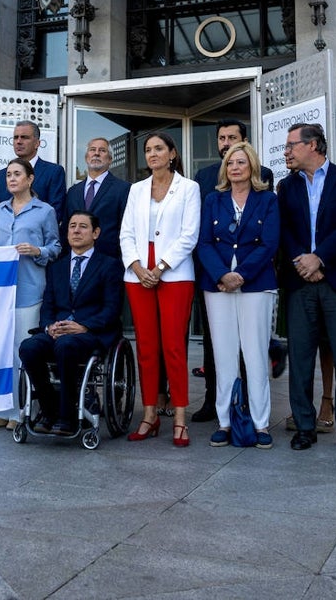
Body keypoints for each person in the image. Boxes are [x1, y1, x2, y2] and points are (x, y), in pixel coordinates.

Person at [278, 123, 336, 454]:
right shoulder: (286, 187)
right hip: (300, 282)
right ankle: (304, 426)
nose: (286, 151)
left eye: (291, 145)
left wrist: (320, 258)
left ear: (312, 145)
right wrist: (304, 261)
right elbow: (284, 229)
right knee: (300, 358)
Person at [119, 132, 201, 447]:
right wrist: (138, 267)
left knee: (174, 348)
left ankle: (180, 418)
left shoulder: (189, 188)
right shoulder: (136, 190)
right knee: (147, 347)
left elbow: (189, 234)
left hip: (175, 273)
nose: (152, 154)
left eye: (159, 149)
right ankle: (149, 414)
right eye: (148, 150)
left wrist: (160, 267)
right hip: (138, 274)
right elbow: (126, 232)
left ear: (172, 154)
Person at [196, 143, 279, 449]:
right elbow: (203, 242)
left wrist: (241, 275)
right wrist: (222, 275)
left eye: (241, 162)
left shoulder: (267, 200)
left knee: (255, 354)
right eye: (230, 163)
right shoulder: (213, 199)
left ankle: (260, 424)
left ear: (252, 167)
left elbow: (269, 243)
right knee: (223, 354)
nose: (235, 167)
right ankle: (225, 421)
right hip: (217, 285)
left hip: (255, 284)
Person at [20, 210, 123, 434]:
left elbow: (112, 309)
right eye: (72, 226)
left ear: (95, 233)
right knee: (28, 347)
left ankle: (67, 416)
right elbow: (48, 305)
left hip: (91, 333)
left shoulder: (109, 265)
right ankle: (49, 409)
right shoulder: (57, 267)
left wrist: (84, 326)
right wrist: (49, 326)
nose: (76, 230)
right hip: (59, 332)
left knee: (66, 346)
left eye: (83, 226)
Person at [0, 158, 60, 428]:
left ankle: (24, 410)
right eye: (9, 175)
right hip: (1, 293)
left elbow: (56, 246)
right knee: (0, 351)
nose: (11, 179)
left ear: (30, 179)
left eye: (17, 174)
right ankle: (2, 411)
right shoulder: (0, 210)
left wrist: (38, 251)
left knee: (22, 352)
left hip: (29, 290)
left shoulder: (44, 211)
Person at [64, 137, 130, 261]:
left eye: (102, 150)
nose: (96, 153)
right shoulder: (73, 192)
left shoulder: (123, 189)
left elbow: (126, 229)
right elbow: (65, 228)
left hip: (109, 262)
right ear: (86, 157)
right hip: (76, 261)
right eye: (92, 150)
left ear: (110, 159)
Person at [0, 120, 66, 226]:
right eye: (16, 137)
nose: (19, 141)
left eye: (24, 137)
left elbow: (55, 213)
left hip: (37, 238)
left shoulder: (53, 172)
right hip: (6, 240)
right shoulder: (2, 175)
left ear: (37, 143)